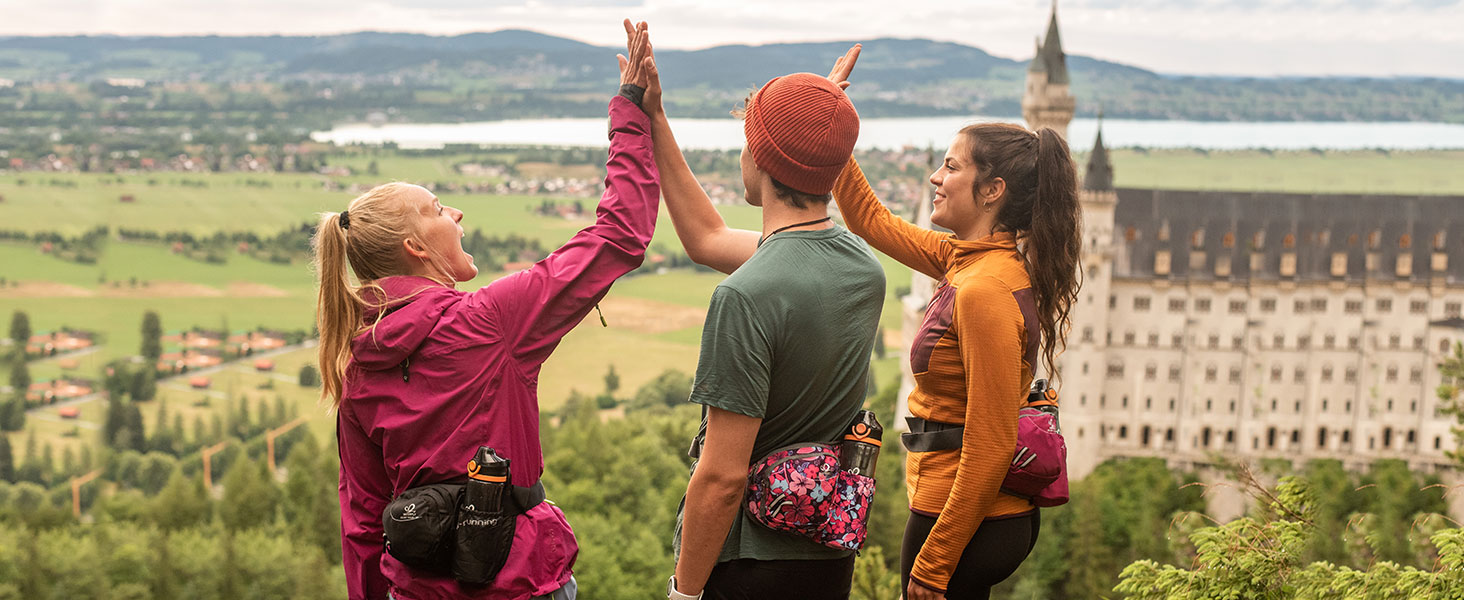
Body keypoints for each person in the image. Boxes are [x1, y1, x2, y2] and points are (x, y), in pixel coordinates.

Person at [317, 23, 660, 600]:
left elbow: (364, 521)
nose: (456, 213)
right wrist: (630, 107)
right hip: (519, 583)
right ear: (415, 248)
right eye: (437, 209)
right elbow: (619, 235)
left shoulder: (356, 368)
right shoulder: (488, 322)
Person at [624, 26, 886, 600]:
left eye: (749, 140)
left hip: (749, 564)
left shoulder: (745, 296)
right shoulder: (863, 269)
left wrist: (684, 593)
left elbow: (722, 479)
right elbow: (707, 237)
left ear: (761, 158)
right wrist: (656, 118)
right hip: (827, 556)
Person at [827, 46, 1082, 600]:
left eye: (951, 166)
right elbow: (870, 220)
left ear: (992, 191)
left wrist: (935, 562)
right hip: (964, 509)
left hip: (967, 517)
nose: (934, 176)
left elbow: (991, 443)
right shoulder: (966, 260)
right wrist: (832, 120)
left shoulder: (985, 289)